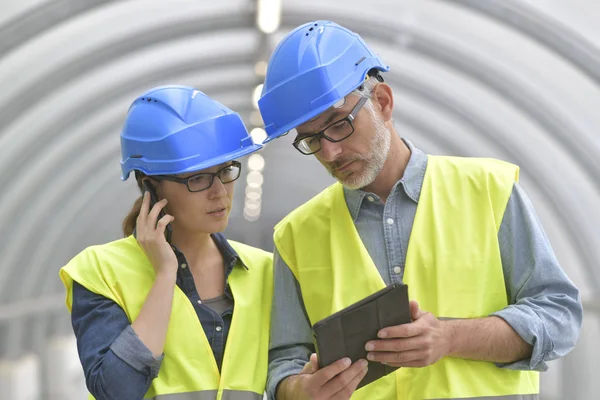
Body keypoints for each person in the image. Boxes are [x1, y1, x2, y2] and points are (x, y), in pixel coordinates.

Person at [257, 21, 583, 399]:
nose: (329, 153)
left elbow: (558, 316)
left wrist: (449, 337)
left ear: (382, 102)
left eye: (339, 125)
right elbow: (283, 361)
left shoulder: (490, 191)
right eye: (311, 140)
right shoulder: (296, 235)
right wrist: (297, 390)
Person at [59, 85, 273, 400]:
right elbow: (115, 390)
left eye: (225, 170)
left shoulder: (265, 270)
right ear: (151, 187)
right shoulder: (99, 272)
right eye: (197, 178)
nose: (219, 192)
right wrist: (163, 276)